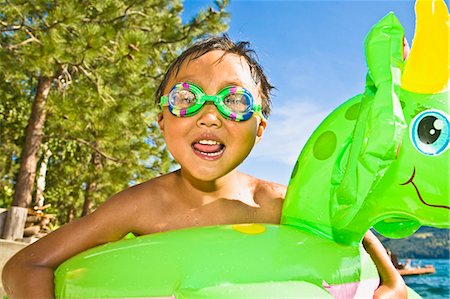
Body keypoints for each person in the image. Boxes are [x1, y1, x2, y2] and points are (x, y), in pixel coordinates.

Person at [2, 35, 406, 299]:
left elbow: (349, 226)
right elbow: (27, 264)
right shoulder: (142, 205)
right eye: (185, 97)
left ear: (259, 128)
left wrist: (392, 282)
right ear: (163, 120)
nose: (209, 116)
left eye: (233, 101)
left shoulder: (273, 202)